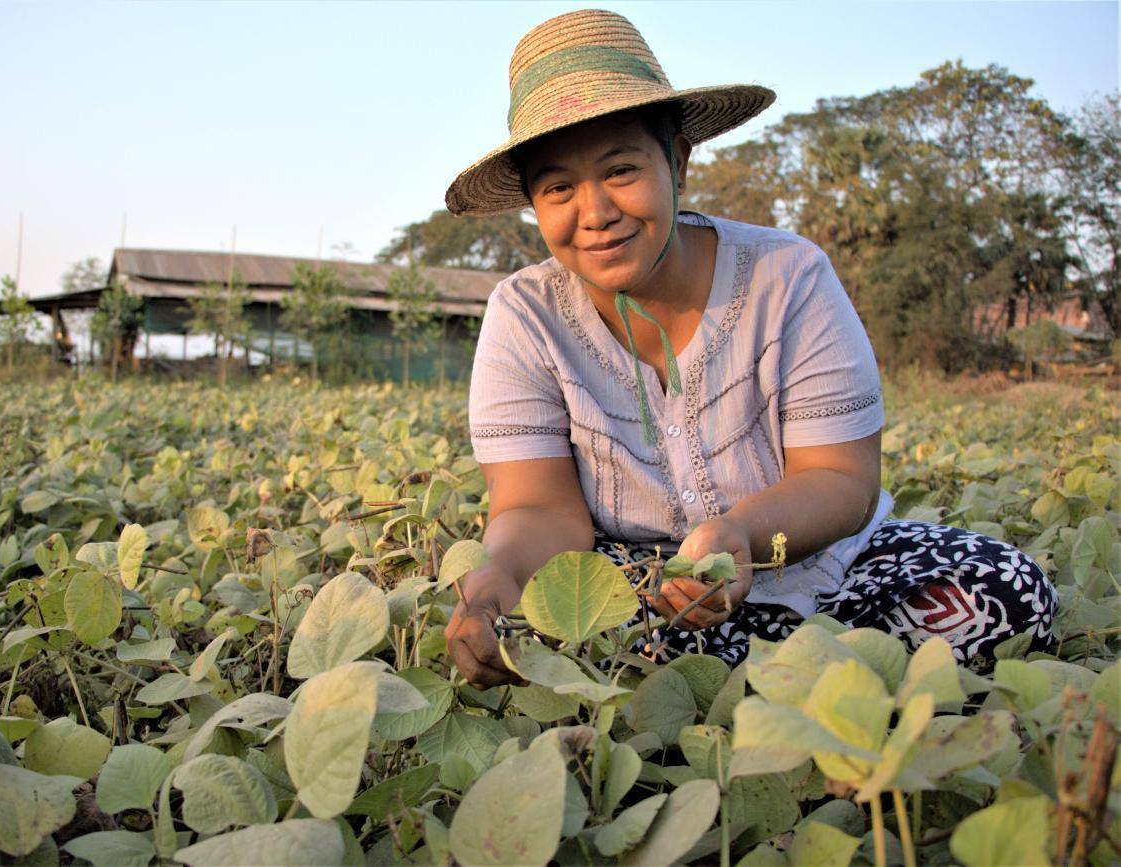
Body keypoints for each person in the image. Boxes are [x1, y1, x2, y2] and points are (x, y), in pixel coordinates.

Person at [442, 9, 1058, 689]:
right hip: (643, 585)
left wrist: (744, 536)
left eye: (621, 170)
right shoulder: (524, 315)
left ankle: (738, 683)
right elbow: (538, 509)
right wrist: (500, 574)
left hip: (818, 564)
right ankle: (797, 686)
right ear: (534, 201)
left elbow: (843, 479)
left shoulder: (787, 277)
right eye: (559, 186)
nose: (594, 211)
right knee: (544, 630)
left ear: (677, 160)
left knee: (1005, 593)